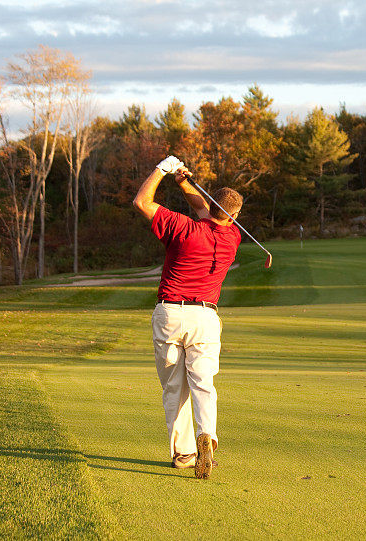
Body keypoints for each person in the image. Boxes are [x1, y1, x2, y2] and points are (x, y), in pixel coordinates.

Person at [132, 155, 243, 480]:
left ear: (211, 205)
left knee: (173, 388)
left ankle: (183, 453)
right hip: (205, 318)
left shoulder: (183, 228)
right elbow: (209, 212)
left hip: (170, 313)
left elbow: (142, 201)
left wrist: (162, 171)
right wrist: (183, 181)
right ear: (234, 216)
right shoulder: (232, 238)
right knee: (202, 382)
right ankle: (206, 432)